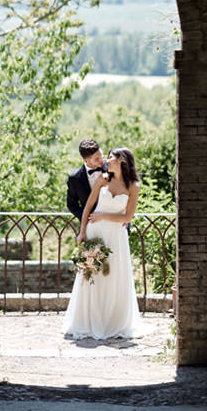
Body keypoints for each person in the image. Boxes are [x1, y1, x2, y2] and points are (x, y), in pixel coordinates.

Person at [63, 146, 145, 339]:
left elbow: (128, 215)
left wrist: (103, 216)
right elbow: (87, 207)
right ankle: (88, 321)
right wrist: (82, 232)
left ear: (121, 161)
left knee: (115, 276)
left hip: (117, 236)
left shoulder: (133, 186)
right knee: (91, 276)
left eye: (111, 157)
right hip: (95, 232)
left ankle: (114, 322)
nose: (107, 160)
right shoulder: (103, 179)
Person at [66, 139, 105, 223]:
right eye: (96, 159)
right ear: (86, 161)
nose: (101, 160)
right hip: (90, 225)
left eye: (101, 155)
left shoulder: (112, 167)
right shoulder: (74, 178)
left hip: (115, 222)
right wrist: (86, 218)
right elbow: (71, 205)